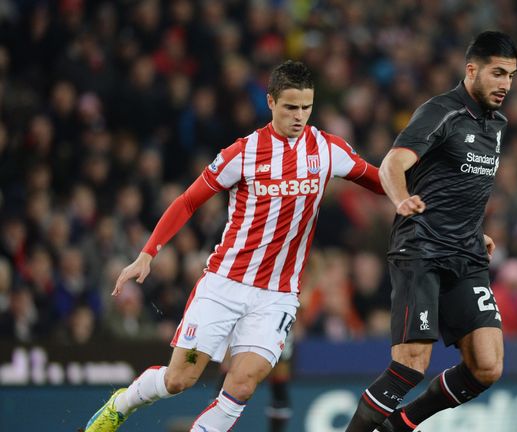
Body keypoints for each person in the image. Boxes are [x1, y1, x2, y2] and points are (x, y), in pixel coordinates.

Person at [84, 60, 384, 432]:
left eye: (307, 107)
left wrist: (429, 199)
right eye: (291, 107)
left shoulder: (327, 149)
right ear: (271, 102)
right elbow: (188, 201)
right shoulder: (242, 153)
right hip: (225, 283)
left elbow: (381, 181)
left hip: (278, 294)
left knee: (242, 384)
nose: (300, 116)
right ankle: (121, 403)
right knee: (179, 380)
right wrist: (147, 254)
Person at [345, 31, 517, 432]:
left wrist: (477, 231)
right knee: (411, 364)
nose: (505, 84)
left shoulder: (498, 124)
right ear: (471, 70)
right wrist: (401, 199)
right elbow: (392, 164)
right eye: (497, 73)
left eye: (510, 75)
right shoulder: (441, 111)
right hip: (421, 247)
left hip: (467, 252)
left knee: (488, 366)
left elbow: (460, 182)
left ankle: (400, 425)